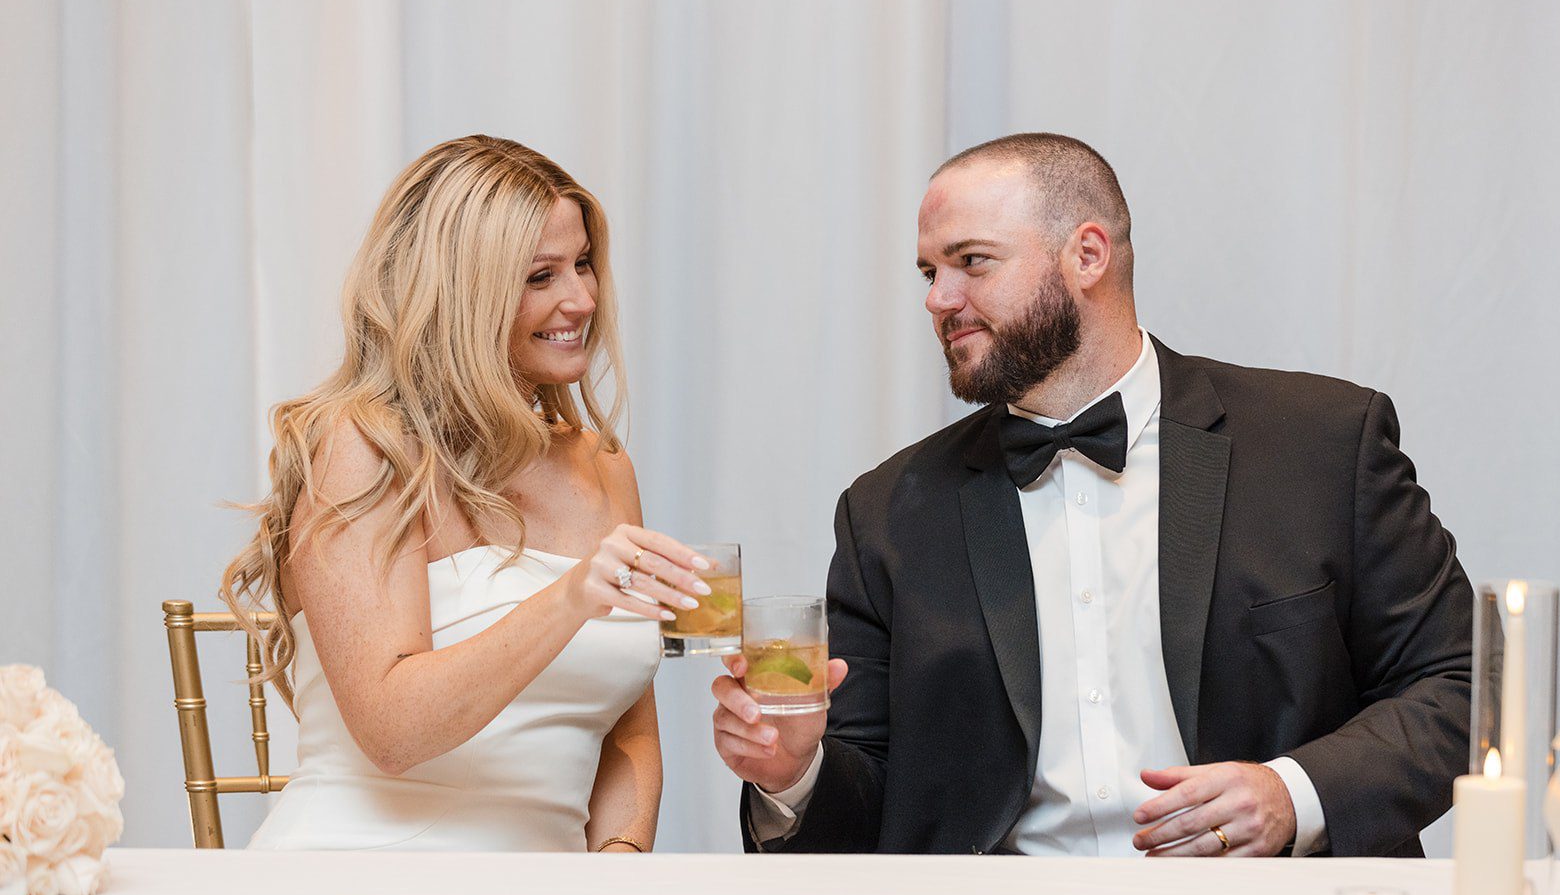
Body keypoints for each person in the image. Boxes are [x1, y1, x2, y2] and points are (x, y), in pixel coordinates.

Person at [711, 133, 1472, 857]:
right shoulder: (887, 512)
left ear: (1087, 254)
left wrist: (1290, 793)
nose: (940, 299)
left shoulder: (1322, 444)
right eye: (928, 273)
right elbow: (869, 814)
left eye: (971, 261)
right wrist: (794, 775)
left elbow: (1466, 683)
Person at [224, 135, 710, 852]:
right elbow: (392, 733)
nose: (582, 297)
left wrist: (618, 868)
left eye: (582, 264)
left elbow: (628, 738)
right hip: (361, 880)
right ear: (462, 294)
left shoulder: (605, 468)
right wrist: (571, 596)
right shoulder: (365, 448)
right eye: (541, 276)